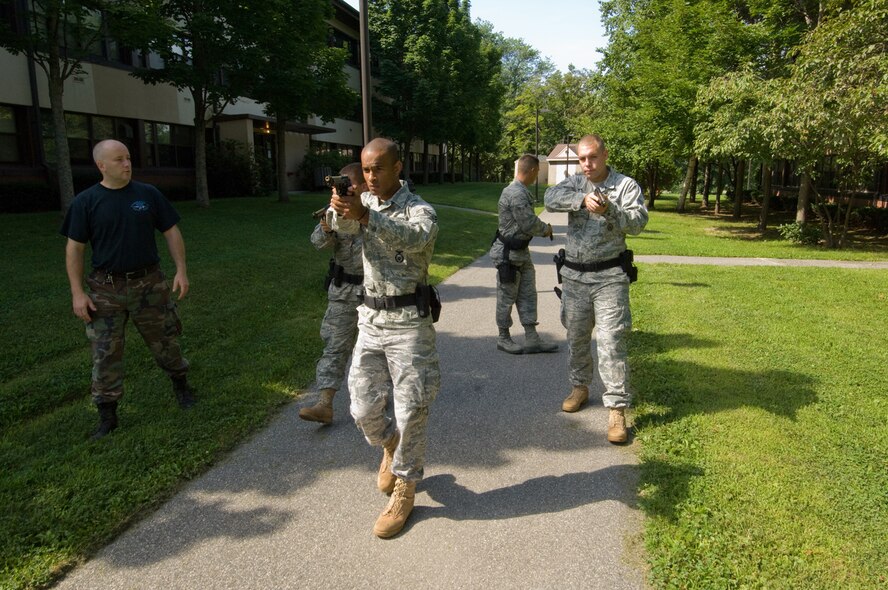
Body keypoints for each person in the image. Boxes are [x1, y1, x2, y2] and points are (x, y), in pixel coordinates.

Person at [329, 137, 440, 538]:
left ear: (398, 167)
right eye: (365, 169)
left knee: (412, 409)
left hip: (409, 323)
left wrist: (364, 215)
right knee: (361, 408)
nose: (370, 177)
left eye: (377, 169)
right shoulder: (363, 200)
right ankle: (389, 446)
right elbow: (339, 228)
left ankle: (406, 486)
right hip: (371, 319)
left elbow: (415, 239)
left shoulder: (420, 210)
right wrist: (340, 206)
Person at [61, 139, 194, 440]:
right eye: (119, 159)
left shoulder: (148, 195)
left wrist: (181, 271)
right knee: (105, 352)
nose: (127, 164)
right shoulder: (86, 202)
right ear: (101, 165)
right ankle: (107, 415)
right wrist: (77, 293)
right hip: (105, 290)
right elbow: (75, 249)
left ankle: (181, 386)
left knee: (166, 341)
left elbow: (171, 231)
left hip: (149, 284)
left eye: (128, 158)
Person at [543, 134, 648, 444]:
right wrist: (580, 200)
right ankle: (580, 387)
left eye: (592, 158)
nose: (586, 164)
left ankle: (617, 408)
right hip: (574, 278)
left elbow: (638, 223)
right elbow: (549, 199)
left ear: (604, 155)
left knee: (611, 340)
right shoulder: (575, 184)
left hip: (609, 277)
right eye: (581, 159)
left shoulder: (625, 186)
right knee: (575, 336)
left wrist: (608, 211)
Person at [298, 163, 366, 425]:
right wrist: (327, 226)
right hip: (343, 290)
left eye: (346, 184)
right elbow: (317, 243)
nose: (341, 189)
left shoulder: (377, 209)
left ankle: (378, 398)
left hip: (375, 290)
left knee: (379, 349)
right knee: (335, 345)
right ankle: (324, 403)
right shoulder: (336, 210)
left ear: (360, 185)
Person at [489, 154, 558, 354]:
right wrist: (547, 229)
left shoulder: (520, 191)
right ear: (533, 171)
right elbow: (528, 223)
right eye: (537, 173)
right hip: (507, 255)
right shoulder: (516, 193)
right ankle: (503, 338)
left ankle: (532, 338)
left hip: (520, 252)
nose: (536, 177)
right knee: (507, 296)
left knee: (528, 293)